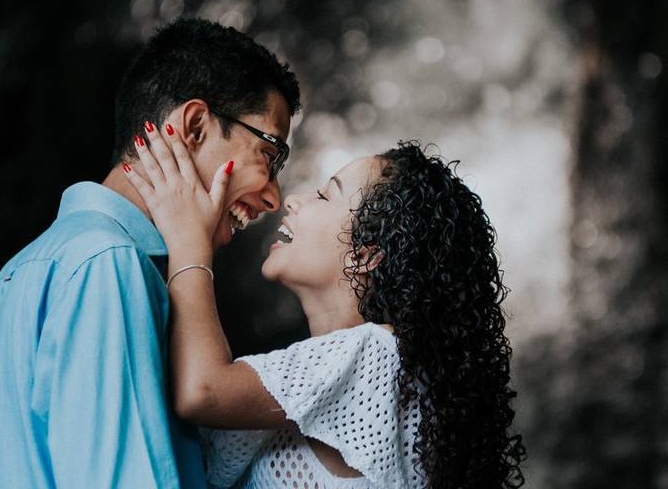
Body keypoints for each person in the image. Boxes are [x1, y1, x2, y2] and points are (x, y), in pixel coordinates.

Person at [0, 18, 301, 487]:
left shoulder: (12, 278)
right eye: (270, 155)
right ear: (195, 125)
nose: (274, 198)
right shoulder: (109, 265)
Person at [123, 132, 526, 488]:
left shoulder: (378, 356)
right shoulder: (327, 371)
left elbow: (202, 392)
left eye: (324, 194)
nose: (293, 201)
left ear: (365, 255)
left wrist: (189, 239)